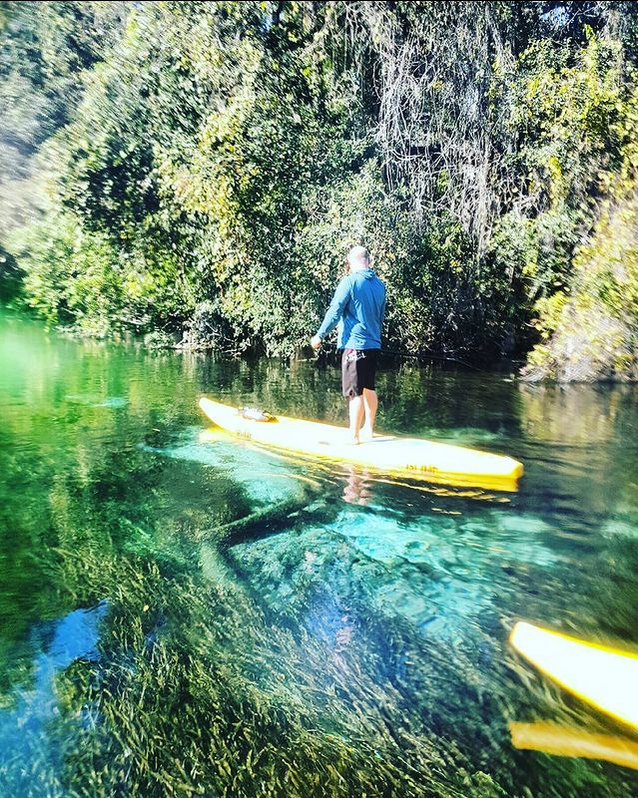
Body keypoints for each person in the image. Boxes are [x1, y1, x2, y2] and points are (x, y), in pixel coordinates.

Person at [310, 246, 386, 444]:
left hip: (355, 345)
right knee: (369, 387)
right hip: (373, 344)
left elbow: (335, 311)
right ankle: (369, 429)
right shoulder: (379, 285)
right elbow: (380, 317)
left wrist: (320, 335)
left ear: (351, 261)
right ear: (368, 261)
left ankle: (354, 437)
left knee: (355, 392)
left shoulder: (350, 282)